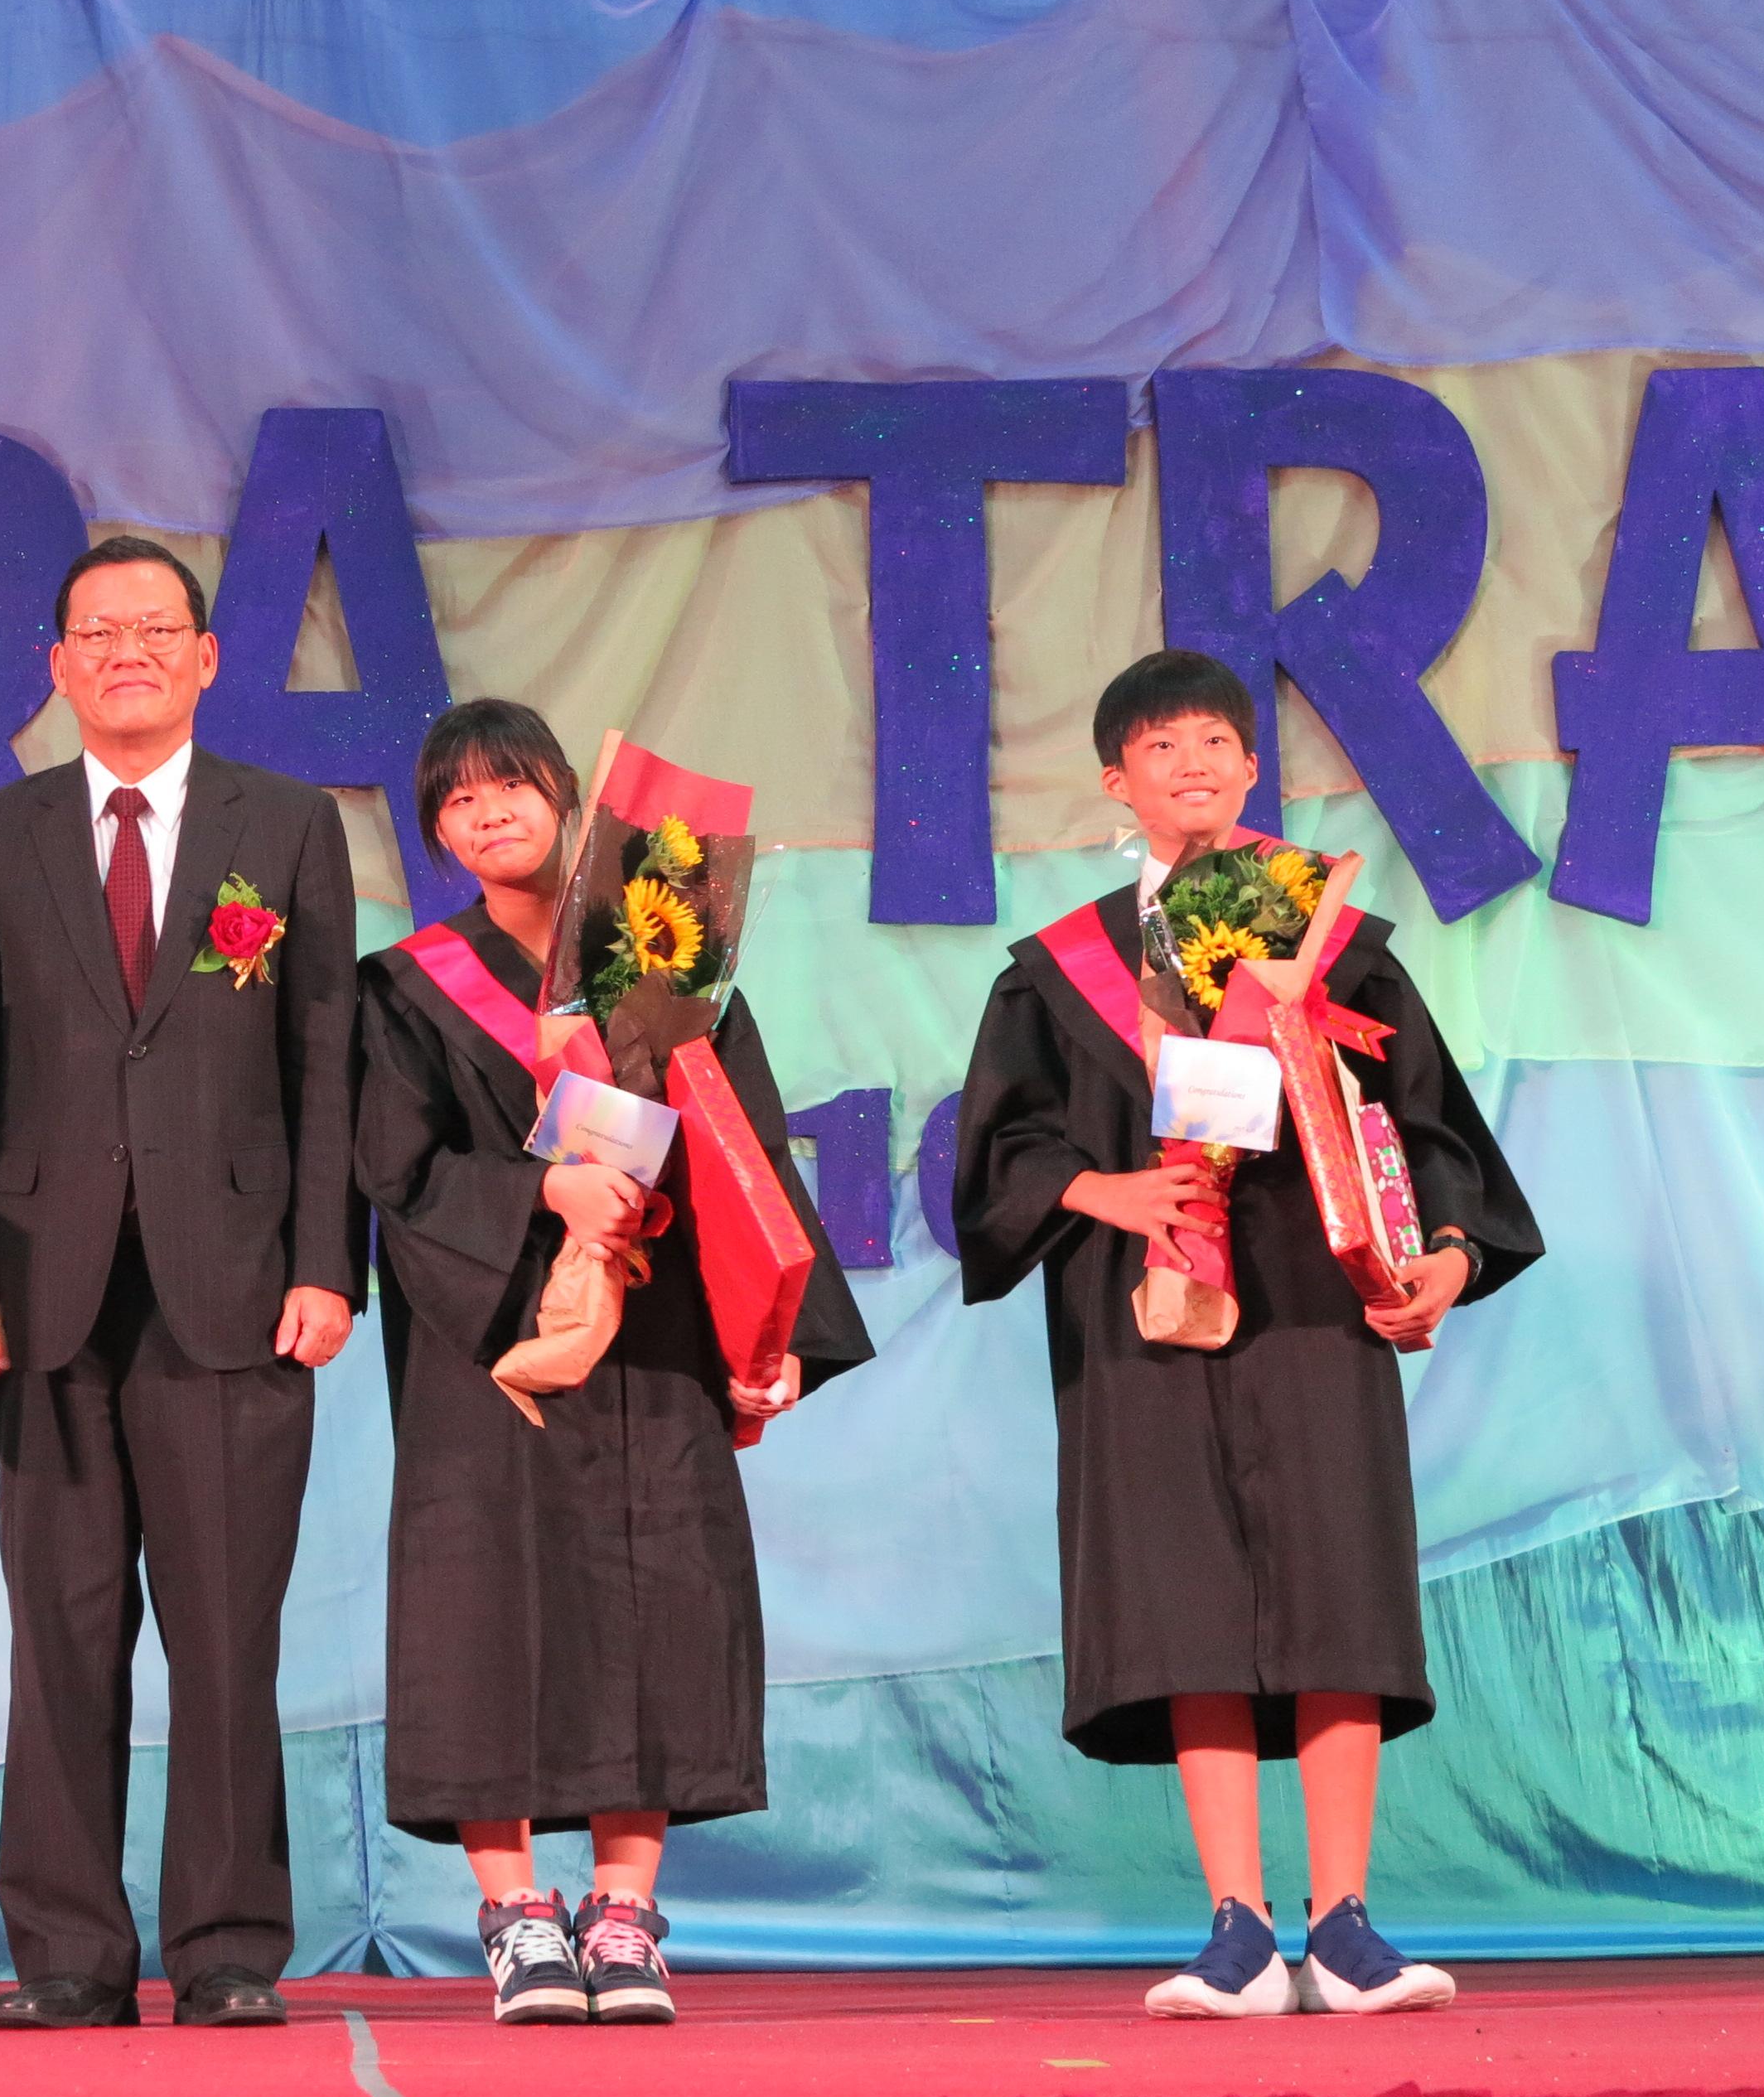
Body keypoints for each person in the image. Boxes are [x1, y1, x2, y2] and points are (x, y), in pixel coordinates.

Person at [954, 648, 1541, 2019]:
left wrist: (1444, 1258)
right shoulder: (1059, 975)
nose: (1197, 762)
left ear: (1250, 767)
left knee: (1336, 1588)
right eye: (1163, 746)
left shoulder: (1341, 947)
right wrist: (1104, 1188)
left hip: (1316, 1296)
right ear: (1119, 782)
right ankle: (1234, 1927)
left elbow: (1433, 1129)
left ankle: (1343, 1925)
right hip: (1144, 1300)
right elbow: (995, 1162)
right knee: (1185, 1604)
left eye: (1218, 740)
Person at [358, 701, 871, 2024]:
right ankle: (518, 1910)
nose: (489, 813)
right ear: (436, 832)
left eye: (510, 787)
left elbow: (749, 1151)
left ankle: (627, 1909)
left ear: (569, 800)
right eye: (459, 800)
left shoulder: (665, 962)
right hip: (496, 1349)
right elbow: (398, 1176)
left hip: (653, 1332)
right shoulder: (407, 987)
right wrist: (546, 1201)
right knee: (487, 1608)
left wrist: (769, 1327)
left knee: (653, 1596)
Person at [0, 537, 359, 2030]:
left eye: (154, 629)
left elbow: (323, 1058)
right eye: (97, 630)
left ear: (204, 657)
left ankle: (232, 1946)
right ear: (53, 663)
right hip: (39, 1290)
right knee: (60, 1633)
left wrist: (325, 1265)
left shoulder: (288, 825)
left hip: (237, 1288)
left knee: (231, 1633)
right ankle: (65, 1955)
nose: (127, 651)